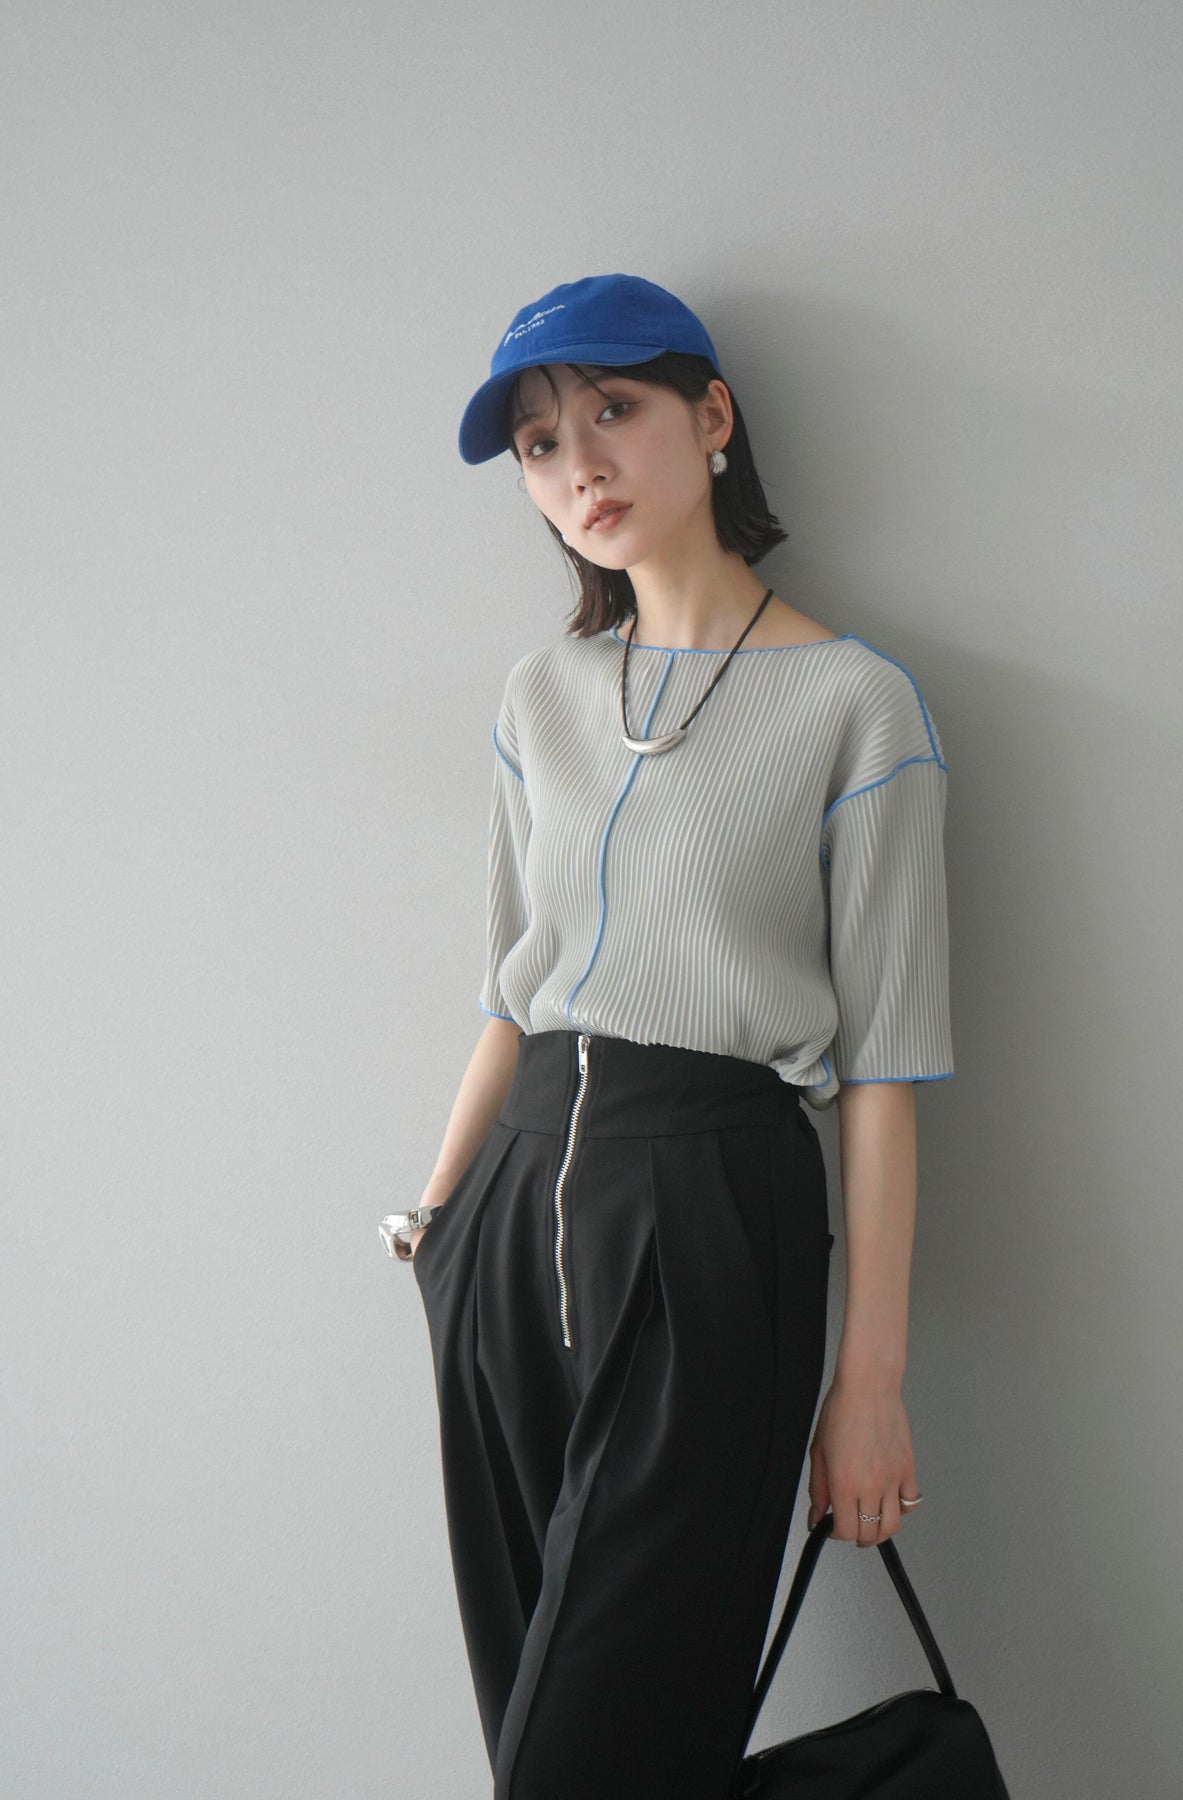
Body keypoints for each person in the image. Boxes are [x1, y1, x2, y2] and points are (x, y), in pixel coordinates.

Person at [381, 272, 954, 1800]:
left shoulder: (856, 706)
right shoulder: (540, 695)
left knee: (590, 1761)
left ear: (710, 418)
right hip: (505, 1221)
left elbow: (885, 1072)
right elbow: (509, 996)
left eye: (611, 412)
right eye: (538, 444)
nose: (577, 465)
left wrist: (867, 1383)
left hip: (709, 1213)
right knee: (542, 1742)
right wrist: (434, 1227)